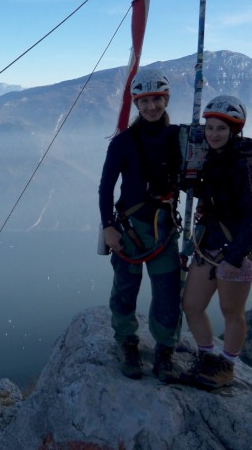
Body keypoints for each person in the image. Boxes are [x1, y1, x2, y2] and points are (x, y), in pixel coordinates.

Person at [98, 68, 182, 381]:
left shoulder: (179, 138)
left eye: (157, 99)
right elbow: (106, 187)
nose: (151, 107)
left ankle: (165, 350)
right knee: (125, 290)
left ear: (166, 99)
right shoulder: (122, 143)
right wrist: (108, 226)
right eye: (145, 101)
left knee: (168, 294)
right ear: (136, 103)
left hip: (163, 228)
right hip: (129, 228)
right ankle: (127, 343)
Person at [182, 95, 252, 389]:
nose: (213, 133)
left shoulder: (246, 166)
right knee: (191, 305)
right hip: (210, 244)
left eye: (221, 129)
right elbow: (210, 195)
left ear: (234, 131)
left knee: (231, 312)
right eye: (210, 127)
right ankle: (207, 358)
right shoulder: (213, 159)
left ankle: (227, 367)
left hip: (236, 249)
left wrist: (234, 258)